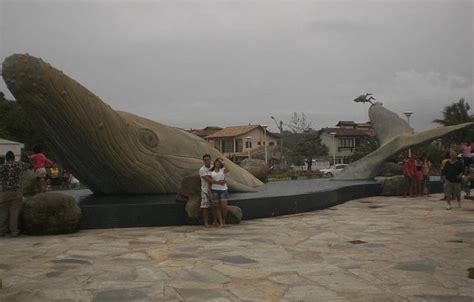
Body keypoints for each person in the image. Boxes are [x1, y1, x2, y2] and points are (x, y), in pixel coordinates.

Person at [0, 151, 30, 237]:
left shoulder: (2, 166)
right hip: (16, 191)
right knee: (14, 211)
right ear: (14, 158)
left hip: (4, 191)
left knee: (3, 212)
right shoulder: (19, 164)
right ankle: (14, 231)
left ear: (6, 158)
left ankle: (2, 231)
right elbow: (28, 165)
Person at [210, 158, 230, 227]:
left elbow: (228, 169)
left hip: (223, 190)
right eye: (217, 162)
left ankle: (224, 220)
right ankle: (221, 222)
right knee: (217, 207)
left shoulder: (222, 170)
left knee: (224, 207)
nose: (218, 163)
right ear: (214, 163)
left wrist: (223, 163)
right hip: (215, 190)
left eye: (219, 163)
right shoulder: (211, 172)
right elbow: (211, 181)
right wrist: (220, 182)